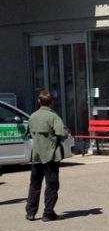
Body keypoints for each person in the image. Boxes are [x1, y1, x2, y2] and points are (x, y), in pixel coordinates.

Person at [25, 89, 67, 222]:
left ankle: (31, 213)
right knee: (52, 185)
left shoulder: (32, 116)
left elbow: (28, 133)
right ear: (51, 102)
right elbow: (62, 133)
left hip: (37, 155)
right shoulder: (54, 117)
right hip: (51, 156)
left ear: (39, 101)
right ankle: (48, 213)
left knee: (34, 184)